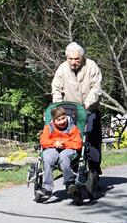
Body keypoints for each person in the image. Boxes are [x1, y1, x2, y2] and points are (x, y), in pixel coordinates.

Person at [51, 41, 103, 174]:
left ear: (82, 57)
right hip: (70, 111)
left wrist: (88, 103)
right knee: (72, 138)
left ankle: (94, 168)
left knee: (92, 140)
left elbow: (96, 88)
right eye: (71, 59)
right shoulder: (62, 69)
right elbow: (56, 88)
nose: (74, 62)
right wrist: (57, 105)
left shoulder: (91, 66)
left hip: (90, 109)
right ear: (66, 58)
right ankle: (73, 166)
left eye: (77, 59)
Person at [36, 106, 82, 199]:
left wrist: (64, 144)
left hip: (69, 149)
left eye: (63, 118)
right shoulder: (48, 128)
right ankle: (47, 188)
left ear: (66, 117)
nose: (62, 122)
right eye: (58, 120)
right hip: (53, 148)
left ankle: (69, 183)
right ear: (53, 120)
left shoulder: (73, 128)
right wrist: (54, 143)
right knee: (47, 157)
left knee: (64, 156)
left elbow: (78, 144)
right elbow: (43, 142)